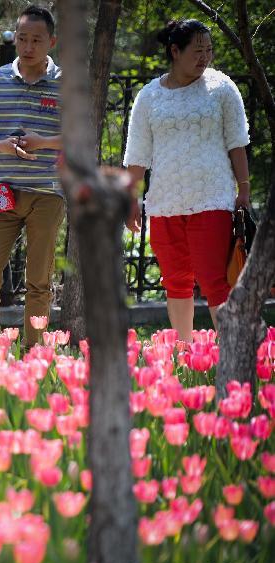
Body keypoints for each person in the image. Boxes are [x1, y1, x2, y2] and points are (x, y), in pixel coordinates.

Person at [123, 19, 250, 342]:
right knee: (175, 281)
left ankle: (229, 353)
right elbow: (137, 155)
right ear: (174, 51)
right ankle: (183, 355)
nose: (204, 57)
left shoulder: (222, 88)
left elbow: (237, 142)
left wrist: (244, 189)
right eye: (197, 50)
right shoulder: (149, 97)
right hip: (165, 204)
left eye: (208, 50)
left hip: (212, 199)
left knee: (214, 282)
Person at [0, 5, 64, 348]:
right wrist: (1, 145)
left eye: (36, 39)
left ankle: (33, 352)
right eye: (22, 38)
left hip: (48, 193)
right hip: (3, 190)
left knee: (38, 280)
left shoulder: (64, 82)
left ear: (51, 41)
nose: (28, 46)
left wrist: (43, 142)